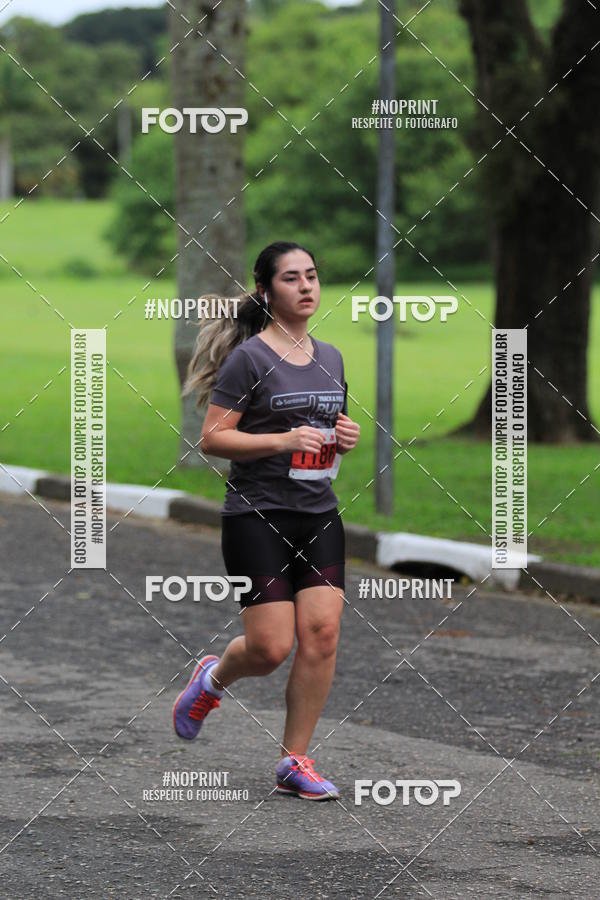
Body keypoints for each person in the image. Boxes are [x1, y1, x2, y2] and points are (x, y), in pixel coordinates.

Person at [172, 241, 360, 800]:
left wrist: (343, 438)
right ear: (266, 291)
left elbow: (326, 429)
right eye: (291, 278)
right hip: (258, 515)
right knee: (270, 648)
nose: (306, 287)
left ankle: (293, 760)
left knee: (322, 635)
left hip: (318, 512)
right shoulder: (248, 359)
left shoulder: (331, 357)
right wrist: (282, 438)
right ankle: (211, 678)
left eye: (312, 275)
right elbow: (212, 439)